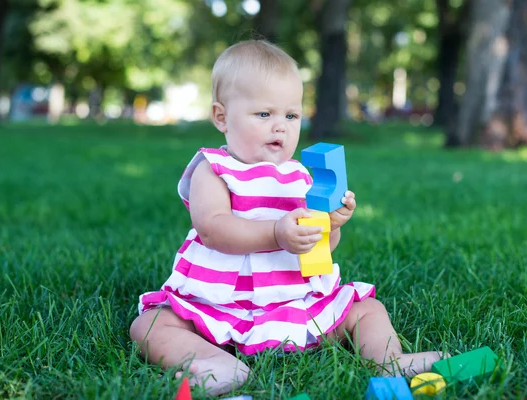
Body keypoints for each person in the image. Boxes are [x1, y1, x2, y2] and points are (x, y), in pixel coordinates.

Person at [129, 40, 446, 396]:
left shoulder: (300, 176)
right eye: (264, 114)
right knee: (150, 324)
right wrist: (277, 233)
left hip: (294, 301)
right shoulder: (214, 169)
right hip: (218, 304)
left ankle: (388, 360)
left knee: (367, 309)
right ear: (222, 117)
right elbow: (213, 228)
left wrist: (330, 226)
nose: (280, 127)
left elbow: (320, 253)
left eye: (291, 116)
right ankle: (216, 363)